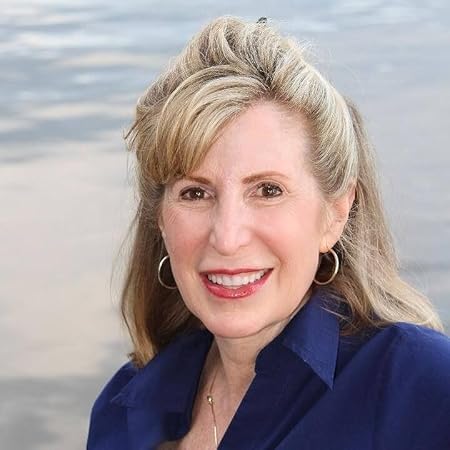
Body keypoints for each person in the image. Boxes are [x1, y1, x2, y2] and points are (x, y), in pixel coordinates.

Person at [87, 16, 450, 450]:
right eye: (195, 193)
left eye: (268, 190)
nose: (227, 238)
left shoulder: (422, 388)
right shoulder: (122, 411)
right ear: (161, 219)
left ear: (335, 214)